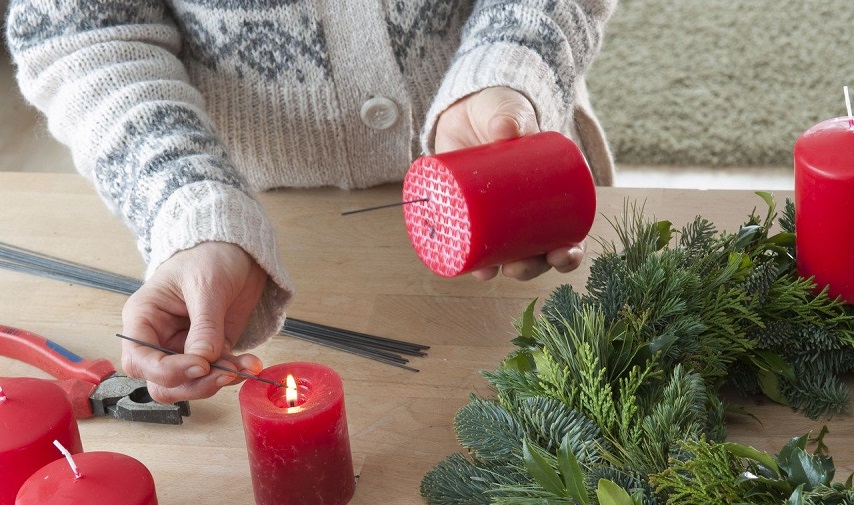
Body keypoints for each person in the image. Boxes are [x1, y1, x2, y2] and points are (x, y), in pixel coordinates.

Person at [6, 1, 617, 403]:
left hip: (512, 137)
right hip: (247, 200)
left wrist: (513, 65)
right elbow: (78, 34)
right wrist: (191, 207)